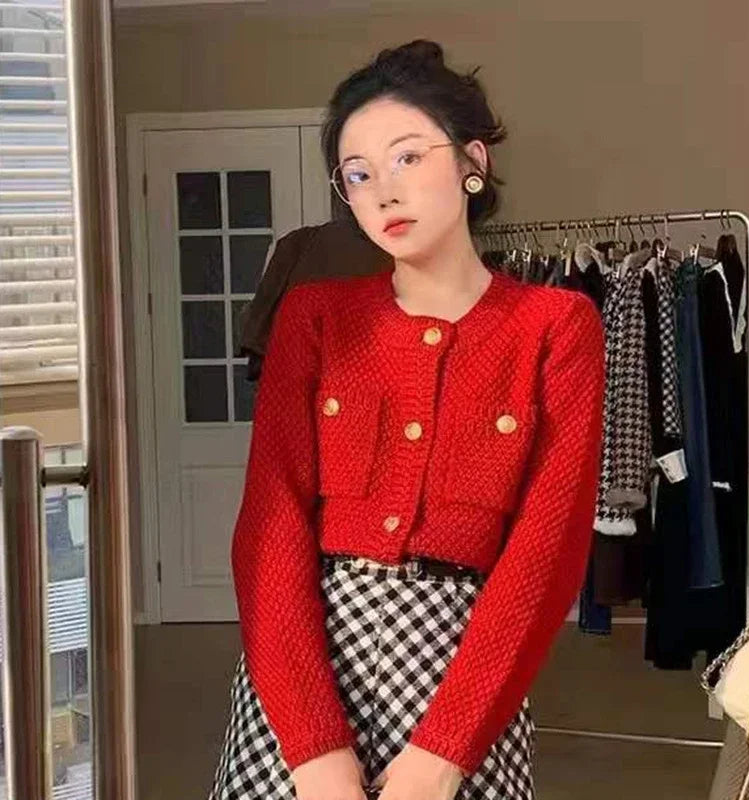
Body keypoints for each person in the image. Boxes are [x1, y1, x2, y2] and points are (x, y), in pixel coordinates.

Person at [209, 39, 606, 800]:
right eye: (358, 175)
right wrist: (312, 748)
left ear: (473, 162)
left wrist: (444, 753)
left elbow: (547, 551)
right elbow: (271, 526)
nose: (383, 191)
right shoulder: (314, 318)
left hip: (463, 675)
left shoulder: (556, 326)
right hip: (303, 674)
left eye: (407, 158)